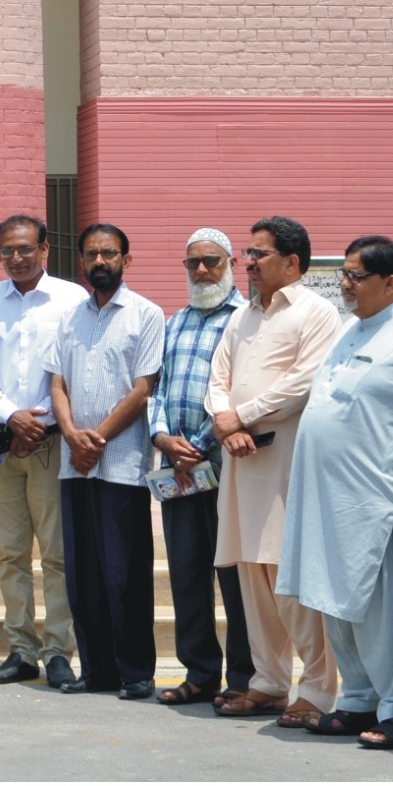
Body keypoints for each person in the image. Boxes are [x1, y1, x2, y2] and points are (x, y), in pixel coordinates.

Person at [277, 236, 393, 750]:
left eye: (355, 276)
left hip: (383, 504)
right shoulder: (349, 331)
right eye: (343, 276)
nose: (345, 285)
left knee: (388, 613)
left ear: (390, 282)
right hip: (331, 503)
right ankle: (359, 699)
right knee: (337, 604)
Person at [208, 215, 340, 724]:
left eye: (258, 254)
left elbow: (306, 382)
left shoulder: (316, 312)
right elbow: (217, 377)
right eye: (247, 252)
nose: (249, 262)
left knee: (291, 578)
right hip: (241, 462)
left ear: (292, 262)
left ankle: (320, 688)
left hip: (286, 461)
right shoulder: (242, 315)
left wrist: (242, 414)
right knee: (251, 575)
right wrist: (226, 422)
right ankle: (268, 681)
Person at [0, 213, 84, 686]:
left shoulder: (71, 300)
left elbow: (76, 368)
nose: (16, 258)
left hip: (53, 444)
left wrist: (43, 421)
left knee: (55, 554)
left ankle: (58, 651)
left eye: (25, 249)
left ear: (45, 250)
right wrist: (11, 414)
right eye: (7, 251)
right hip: (1, 445)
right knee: (11, 554)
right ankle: (21, 649)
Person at [46, 223, 164, 699]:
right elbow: (56, 384)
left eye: (109, 253)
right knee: (83, 572)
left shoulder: (146, 314)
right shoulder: (69, 316)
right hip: (74, 463)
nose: (100, 261)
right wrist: (73, 436)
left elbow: (144, 388)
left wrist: (95, 439)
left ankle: (135, 672)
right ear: (81, 261)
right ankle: (97, 671)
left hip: (123, 464)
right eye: (91, 254)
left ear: (126, 260)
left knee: (125, 572)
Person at [148, 227, 255, 709]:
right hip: (181, 472)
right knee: (187, 574)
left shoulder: (248, 320)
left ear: (231, 263)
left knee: (234, 577)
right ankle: (199, 673)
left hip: (228, 467)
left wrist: (197, 442)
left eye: (212, 260)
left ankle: (244, 679)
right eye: (193, 263)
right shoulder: (175, 322)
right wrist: (162, 438)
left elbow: (243, 392)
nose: (202, 270)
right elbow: (159, 388)